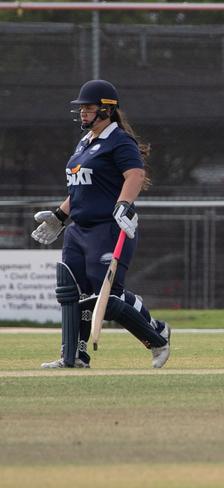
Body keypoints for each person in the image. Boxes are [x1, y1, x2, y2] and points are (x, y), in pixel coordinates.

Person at [32, 79, 171, 369]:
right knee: (71, 292)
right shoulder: (85, 142)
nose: (83, 113)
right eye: (81, 108)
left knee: (107, 299)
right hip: (78, 231)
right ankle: (74, 356)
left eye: (89, 108)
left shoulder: (119, 140)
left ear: (107, 110)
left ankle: (156, 335)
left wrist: (124, 204)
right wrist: (59, 216)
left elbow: (134, 174)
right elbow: (81, 189)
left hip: (106, 229)